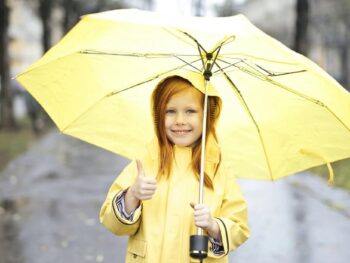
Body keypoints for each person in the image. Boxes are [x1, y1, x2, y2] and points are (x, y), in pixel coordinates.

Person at [99, 75, 250, 263]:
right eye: (170, 111)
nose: (179, 120)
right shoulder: (145, 164)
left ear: (207, 116)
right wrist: (132, 195)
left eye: (190, 111)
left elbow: (239, 227)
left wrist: (214, 226)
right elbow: (112, 223)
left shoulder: (218, 170)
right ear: (158, 115)